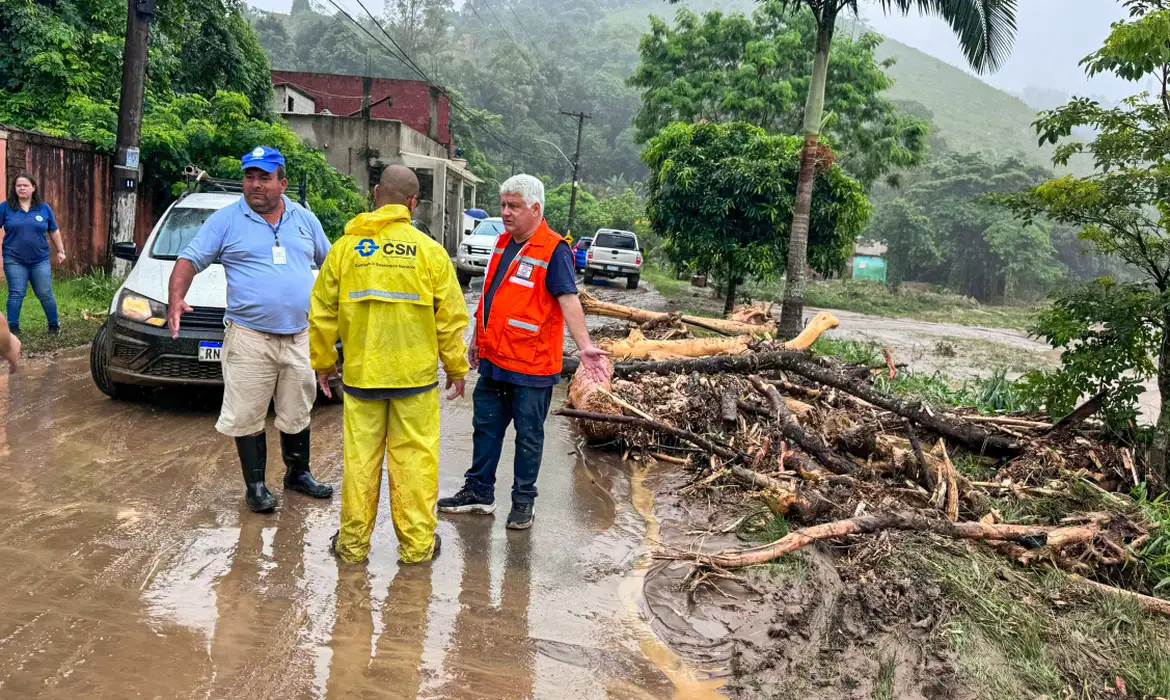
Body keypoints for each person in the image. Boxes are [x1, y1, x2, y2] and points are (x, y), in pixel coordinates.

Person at [309, 165, 469, 564]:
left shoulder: (345, 249)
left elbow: (322, 312)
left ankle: (352, 546)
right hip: (414, 381)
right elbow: (450, 317)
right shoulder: (429, 252)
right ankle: (416, 550)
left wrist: (324, 363)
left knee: (360, 463)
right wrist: (456, 367)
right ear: (413, 204)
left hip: (363, 377)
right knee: (414, 463)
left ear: (376, 193)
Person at [168, 146, 334, 513]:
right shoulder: (225, 221)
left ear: (282, 183)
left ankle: (298, 474)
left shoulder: (305, 220)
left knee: (297, 409)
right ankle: (256, 486)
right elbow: (189, 259)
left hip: (299, 335)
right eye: (249, 177)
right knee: (247, 413)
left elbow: (332, 263)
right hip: (249, 337)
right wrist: (175, 298)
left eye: (264, 177)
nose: (255, 185)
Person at [438, 174, 608, 530]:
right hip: (495, 362)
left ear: (535, 208)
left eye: (513, 206)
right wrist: (475, 339)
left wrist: (585, 346)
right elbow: (491, 296)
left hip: (532, 368)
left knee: (529, 437)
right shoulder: (502, 243)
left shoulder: (554, 249)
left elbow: (568, 299)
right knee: (485, 429)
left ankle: (523, 502)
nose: (506, 213)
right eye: (503, 205)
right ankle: (479, 493)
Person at [1, 173, 66, 336]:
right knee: (16, 293)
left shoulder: (43, 208)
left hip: (40, 259)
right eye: (18, 186)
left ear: (33, 187)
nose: (21, 188)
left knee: (45, 293)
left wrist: (60, 250)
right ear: (14, 188)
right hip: (14, 258)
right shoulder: (6, 207)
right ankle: (13, 329)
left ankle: (53, 325)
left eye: (25, 185)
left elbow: (53, 230)